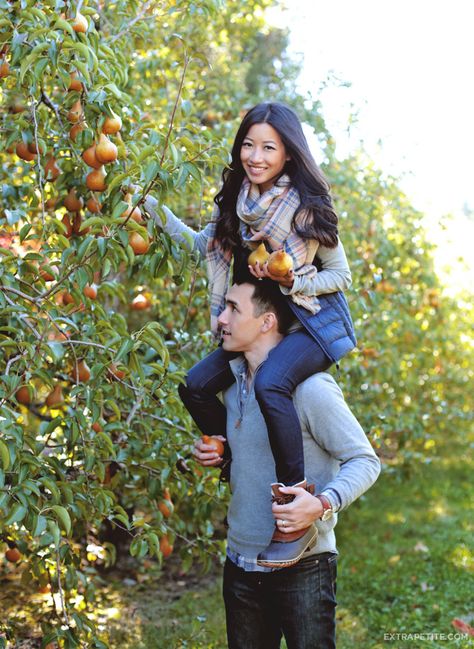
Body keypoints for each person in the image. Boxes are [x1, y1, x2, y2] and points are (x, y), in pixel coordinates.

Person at [143, 101, 356, 562]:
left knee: (272, 383)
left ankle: (292, 504)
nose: (255, 156)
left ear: (288, 154)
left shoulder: (307, 212)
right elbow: (202, 246)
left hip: (311, 326)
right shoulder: (239, 205)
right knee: (195, 385)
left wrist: (292, 279)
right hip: (260, 329)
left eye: (268, 148)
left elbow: (341, 276)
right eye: (248, 145)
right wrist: (148, 205)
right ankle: (233, 457)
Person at [192, 274, 381, 649]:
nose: (220, 320)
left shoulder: (311, 389)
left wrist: (324, 503)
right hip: (241, 560)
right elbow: (250, 451)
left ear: (266, 322)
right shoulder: (231, 386)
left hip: (305, 566)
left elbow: (364, 459)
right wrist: (221, 452)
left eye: (233, 309)